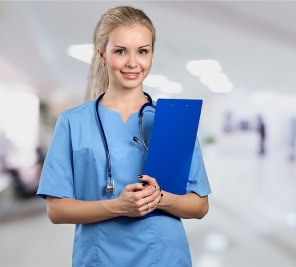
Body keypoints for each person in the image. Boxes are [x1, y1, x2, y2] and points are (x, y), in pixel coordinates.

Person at [36, 6, 211, 267]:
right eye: (120, 51)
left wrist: (160, 198)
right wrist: (119, 206)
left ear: (151, 54)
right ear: (102, 55)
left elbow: (199, 206)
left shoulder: (174, 121)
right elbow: (57, 210)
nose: (133, 62)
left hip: (164, 257)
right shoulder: (73, 122)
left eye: (143, 51)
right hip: (100, 258)